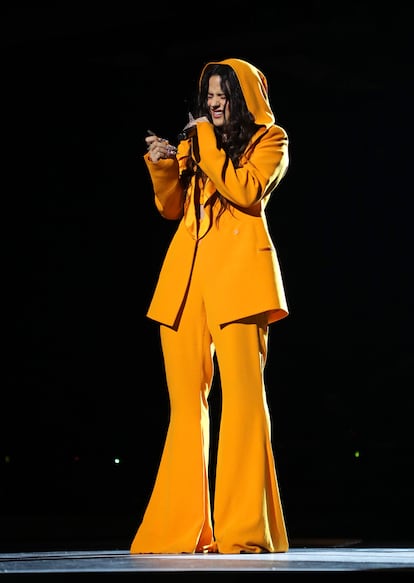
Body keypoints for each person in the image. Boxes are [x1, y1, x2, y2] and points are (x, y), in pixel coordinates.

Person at [130, 57, 290, 555]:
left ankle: (243, 529)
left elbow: (245, 192)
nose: (213, 101)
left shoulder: (271, 140)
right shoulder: (197, 144)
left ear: (242, 97)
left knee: (243, 405)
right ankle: (181, 529)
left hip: (240, 281)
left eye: (223, 93)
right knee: (186, 407)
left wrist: (201, 145)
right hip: (185, 283)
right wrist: (163, 165)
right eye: (209, 94)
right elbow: (171, 207)